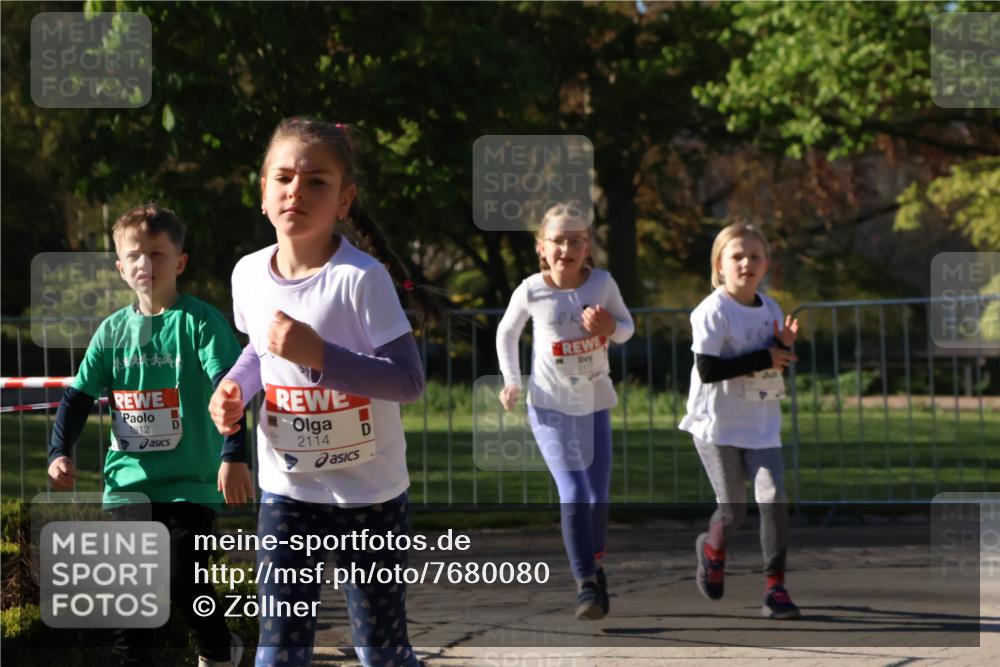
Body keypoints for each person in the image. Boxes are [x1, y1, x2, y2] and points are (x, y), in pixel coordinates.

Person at [209, 117, 437, 667]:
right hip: (289, 492)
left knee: (380, 653)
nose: (296, 191)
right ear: (262, 192)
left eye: (317, 181)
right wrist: (234, 388)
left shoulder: (361, 280)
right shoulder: (247, 275)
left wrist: (319, 358)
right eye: (283, 177)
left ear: (344, 199)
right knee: (278, 652)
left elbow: (408, 381)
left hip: (370, 496)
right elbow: (260, 352)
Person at [47, 203, 248, 666]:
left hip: (189, 485)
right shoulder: (112, 331)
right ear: (120, 267)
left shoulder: (199, 323)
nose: (145, 265)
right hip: (127, 486)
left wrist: (233, 455)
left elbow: (230, 391)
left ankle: (221, 651)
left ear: (179, 262)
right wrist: (60, 451)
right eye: (135, 256)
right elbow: (77, 397)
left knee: (183, 580)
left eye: (157, 254)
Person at [495, 203, 634, 621]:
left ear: (587, 247)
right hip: (550, 407)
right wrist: (512, 379)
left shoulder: (603, 285)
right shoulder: (531, 290)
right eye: (557, 240)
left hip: (594, 405)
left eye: (576, 240)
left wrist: (610, 329)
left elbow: (627, 329)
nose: (566, 248)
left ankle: (595, 564)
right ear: (542, 247)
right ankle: (585, 585)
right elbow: (506, 332)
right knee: (573, 494)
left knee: (597, 497)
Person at [678, 222, 802, 620]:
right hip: (717, 425)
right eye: (737, 256)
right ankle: (712, 550)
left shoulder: (771, 308)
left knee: (774, 498)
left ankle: (775, 588)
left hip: (762, 423)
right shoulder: (712, 310)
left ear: (765, 265)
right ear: (720, 263)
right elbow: (709, 368)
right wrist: (766, 358)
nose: (746, 263)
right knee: (734, 511)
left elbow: (770, 366)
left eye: (755, 256)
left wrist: (782, 350)